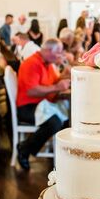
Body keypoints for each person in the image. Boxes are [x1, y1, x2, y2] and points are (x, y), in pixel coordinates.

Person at [15, 39, 70, 170]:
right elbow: (32, 91)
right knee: (54, 122)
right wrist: (57, 87)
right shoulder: (31, 64)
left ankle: (61, 153)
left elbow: (54, 81)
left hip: (42, 104)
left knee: (67, 118)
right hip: (27, 106)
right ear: (47, 50)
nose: (60, 54)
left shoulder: (49, 64)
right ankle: (24, 149)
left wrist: (64, 76)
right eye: (58, 52)